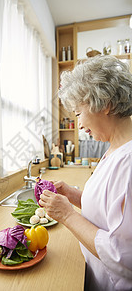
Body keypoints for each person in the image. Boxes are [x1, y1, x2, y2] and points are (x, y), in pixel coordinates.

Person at [39, 55, 132, 291]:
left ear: (105, 103)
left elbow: (122, 256)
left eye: (78, 113)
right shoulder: (114, 148)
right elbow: (109, 212)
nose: (78, 124)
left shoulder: (129, 162)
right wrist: (73, 195)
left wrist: (68, 215)